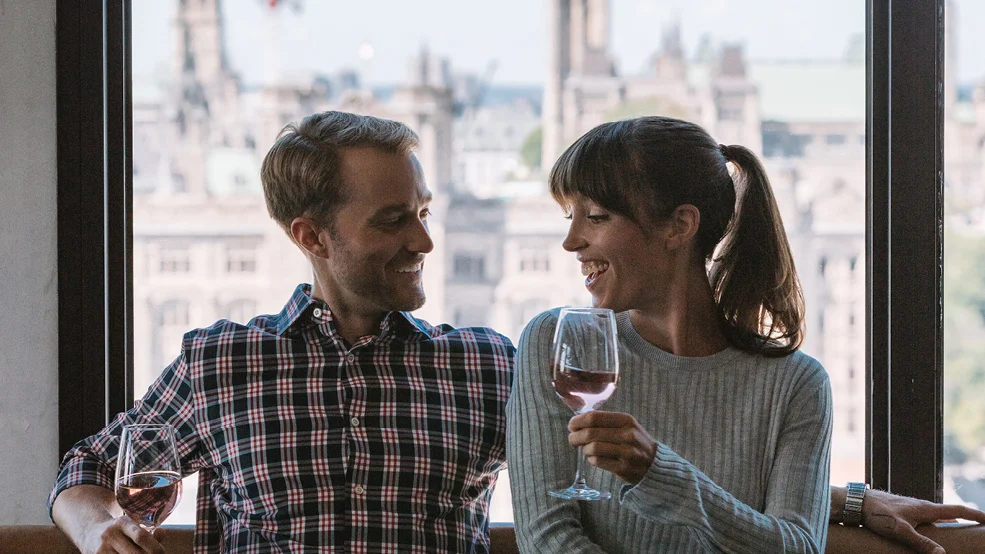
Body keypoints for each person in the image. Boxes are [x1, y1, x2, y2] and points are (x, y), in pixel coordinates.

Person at [506, 115, 985, 553]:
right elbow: (547, 537)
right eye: (569, 216)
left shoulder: (796, 384)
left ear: (679, 226)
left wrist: (660, 474)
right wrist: (845, 501)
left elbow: (798, 547)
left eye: (595, 217)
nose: (571, 241)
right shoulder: (553, 344)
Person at [49, 111, 514, 553]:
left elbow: (575, 488)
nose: (424, 242)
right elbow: (87, 466)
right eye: (393, 220)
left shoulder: (488, 365)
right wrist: (96, 532)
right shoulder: (220, 362)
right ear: (311, 236)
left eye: (423, 212)